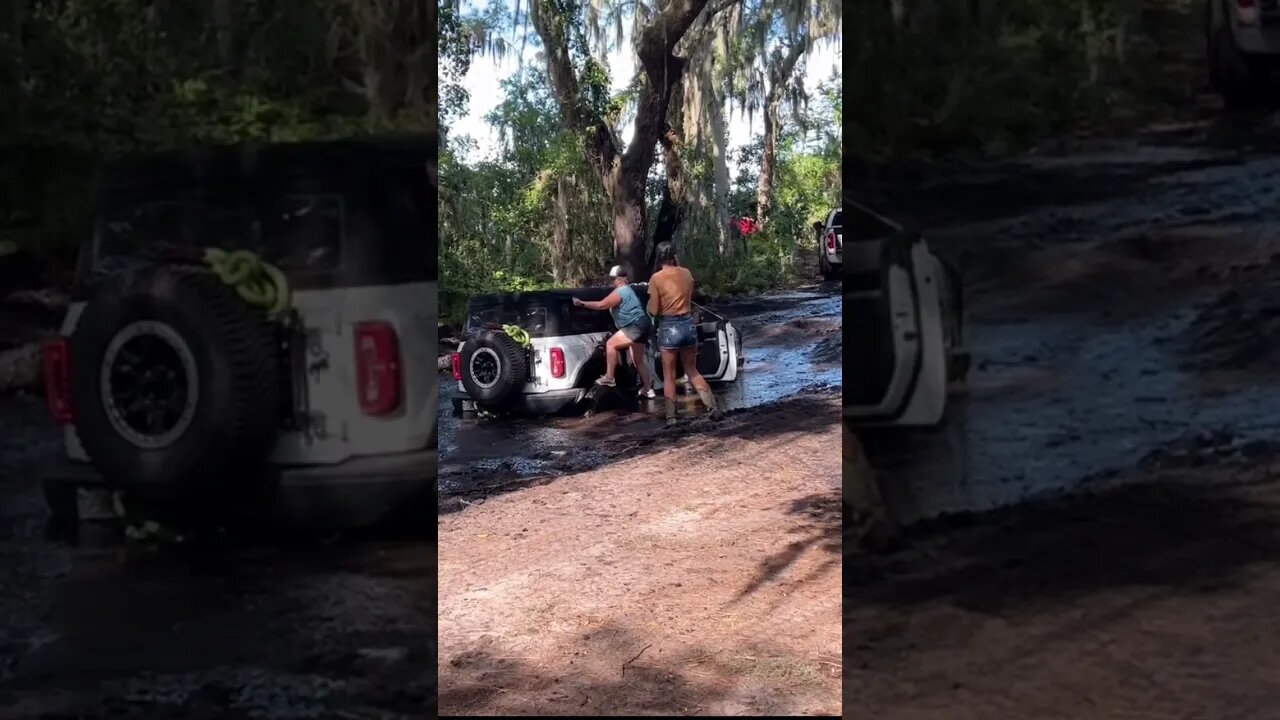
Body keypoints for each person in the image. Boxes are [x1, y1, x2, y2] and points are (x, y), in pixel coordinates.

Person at [646, 242, 720, 423]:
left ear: (659, 257)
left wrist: (649, 305)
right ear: (674, 255)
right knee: (692, 370)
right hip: (687, 324)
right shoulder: (686, 273)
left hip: (668, 327)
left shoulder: (656, 278)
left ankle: (671, 417)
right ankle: (713, 407)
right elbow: (689, 296)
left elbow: (654, 310)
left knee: (669, 375)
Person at [572, 265, 657, 398]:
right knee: (638, 359)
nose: (611, 281)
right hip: (643, 324)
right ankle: (648, 389)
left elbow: (602, 305)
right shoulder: (629, 290)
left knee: (611, 344)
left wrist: (582, 303)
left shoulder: (621, 291)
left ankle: (610, 377)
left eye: (612, 279)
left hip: (634, 325)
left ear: (619, 279)